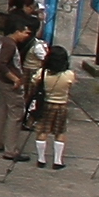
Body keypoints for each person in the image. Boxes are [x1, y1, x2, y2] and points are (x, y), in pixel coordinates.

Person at [0, 20, 37, 157]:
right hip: (10, 84)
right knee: (16, 114)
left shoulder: (3, 41)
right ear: (18, 31)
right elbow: (1, 64)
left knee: (3, 110)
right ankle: (11, 150)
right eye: (25, 33)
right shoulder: (10, 46)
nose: (26, 36)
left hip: (1, 81)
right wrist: (15, 79)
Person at [32, 35, 75, 167]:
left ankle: (41, 159)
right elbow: (71, 84)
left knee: (42, 131)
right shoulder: (69, 75)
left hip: (45, 105)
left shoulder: (42, 73)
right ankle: (57, 160)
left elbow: (34, 82)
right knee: (60, 132)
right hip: (61, 105)